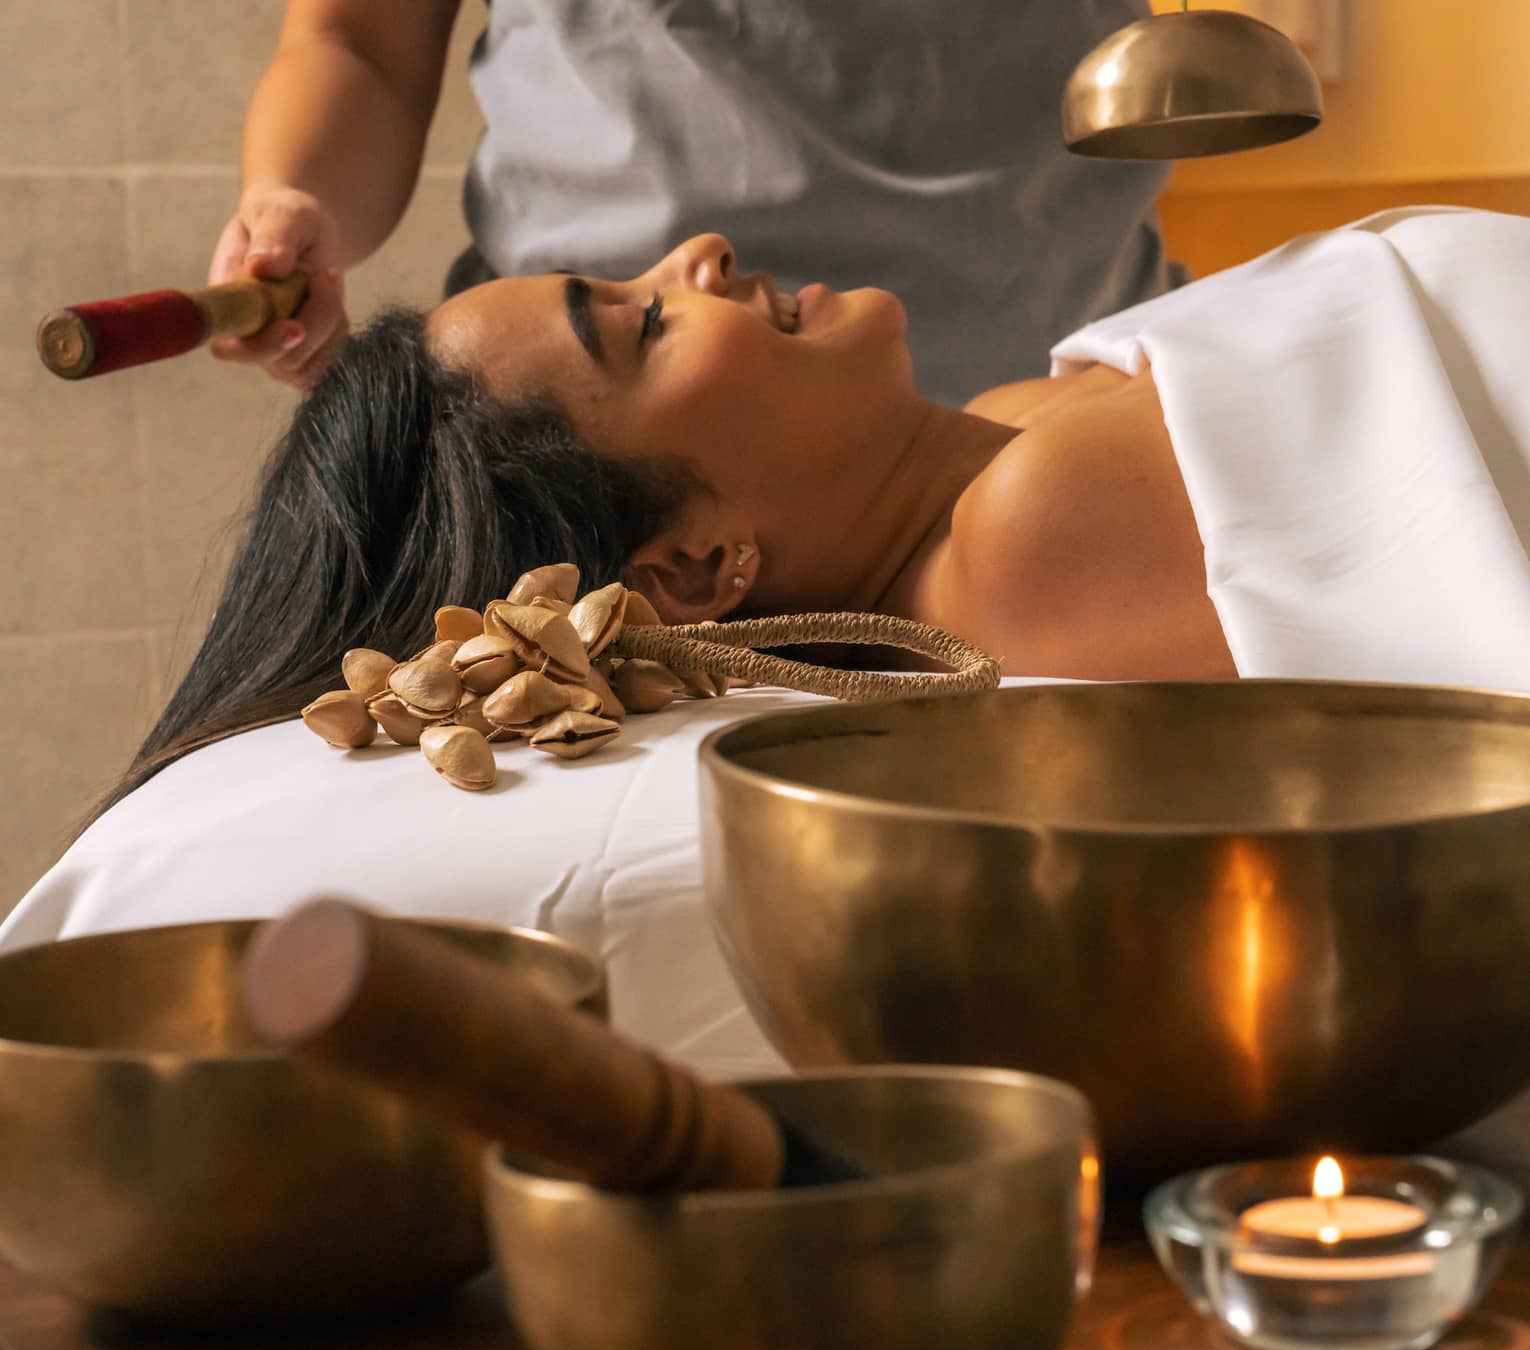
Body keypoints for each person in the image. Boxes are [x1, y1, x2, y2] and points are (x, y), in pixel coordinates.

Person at [109, 206, 1530, 821]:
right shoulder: (1032, 538)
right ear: (689, 569)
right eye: (646, 323)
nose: (700, 254)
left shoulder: (993, 455)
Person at [206, 0, 1178, 401]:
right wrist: (293, 194)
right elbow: (358, 43)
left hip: (1069, 379)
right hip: (618, 473)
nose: (712, 265)